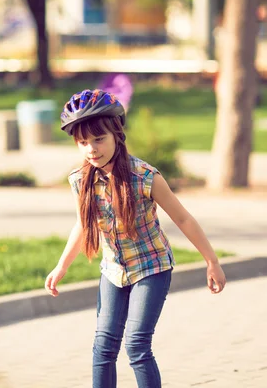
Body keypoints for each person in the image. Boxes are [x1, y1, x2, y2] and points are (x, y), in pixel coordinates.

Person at [44, 89, 227, 388]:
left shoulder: (145, 177)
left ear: (117, 134)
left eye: (99, 139)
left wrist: (212, 261)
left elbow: (183, 218)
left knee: (137, 345)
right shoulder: (80, 180)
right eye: (83, 142)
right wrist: (62, 266)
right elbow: (82, 223)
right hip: (113, 271)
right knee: (103, 347)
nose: (91, 148)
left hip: (151, 267)